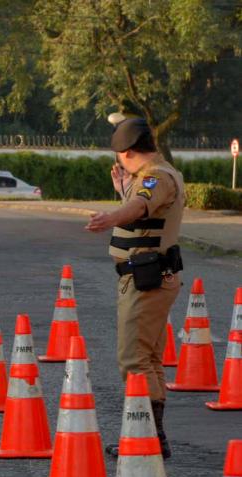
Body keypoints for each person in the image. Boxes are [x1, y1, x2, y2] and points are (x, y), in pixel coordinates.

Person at [85, 117, 184, 459]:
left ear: (126, 153)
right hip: (149, 277)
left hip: (146, 279)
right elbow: (144, 209)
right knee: (149, 358)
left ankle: (145, 438)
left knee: (133, 359)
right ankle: (152, 437)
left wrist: (111, 216)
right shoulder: (155, 176)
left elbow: (141, 205)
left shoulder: (157, 176)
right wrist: (124, 193)